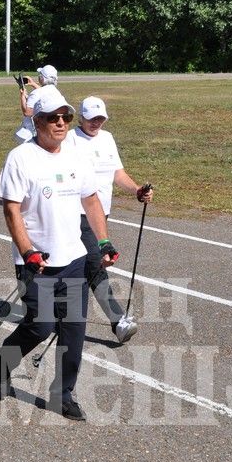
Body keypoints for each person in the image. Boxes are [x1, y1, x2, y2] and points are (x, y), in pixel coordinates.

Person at [0, 85, 117, 422]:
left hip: (74, 259)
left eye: (65, 117)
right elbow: (11, 210)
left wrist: (103, 242)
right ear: (37, 121)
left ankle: (63, 394)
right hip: (37, 262)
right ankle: (2, 360)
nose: (60, 123)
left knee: (74, 329)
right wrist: (27, 250)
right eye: (52, 118)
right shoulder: (20, 158)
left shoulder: (77, 155)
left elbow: (91, 200)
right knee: (40, 326)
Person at [64, 96, 153, 343]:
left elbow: (117, 173)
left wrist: (136, 190)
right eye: (92, 119)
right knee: (96, 263)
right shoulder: (70, 139)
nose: (96, 123)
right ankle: (118, 322)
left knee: (79, 267)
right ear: (81, 117)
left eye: (101, 118)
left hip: (101, 214)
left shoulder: (107, 138)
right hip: (77, 214)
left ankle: (54, 310)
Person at [15, 64, 59, 142]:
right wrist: (33, 84)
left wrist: (22, 95)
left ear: (42, 78)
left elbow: (27, 112)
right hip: (52, 129)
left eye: (40, 75)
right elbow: (44, 92)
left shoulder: (36, 93)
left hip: (37, 132)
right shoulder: (56, 92)